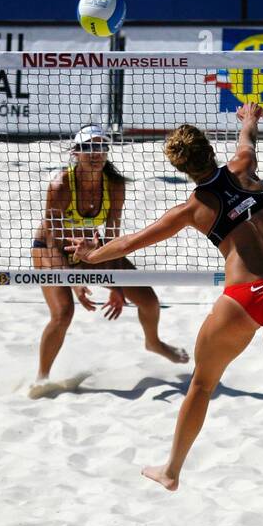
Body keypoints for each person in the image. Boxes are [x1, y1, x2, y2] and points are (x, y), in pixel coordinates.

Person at [70, 104, 263, 526]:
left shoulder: (192, 208)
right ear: (210, 150)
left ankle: (172, 469)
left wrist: (89, 255)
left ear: (178, 168)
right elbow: (248, 142)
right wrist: (247, 118)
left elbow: (129, 242)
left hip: (243, 298)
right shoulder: (244, 169)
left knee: (201, 384)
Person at [29, 125, 187, 398]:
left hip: (90, 249)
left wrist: (117, 285)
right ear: (75, 153)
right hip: (50, 250)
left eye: (102, 147)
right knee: (63, 313)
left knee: (148, 300)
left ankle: (154, 342)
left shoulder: (114, 185)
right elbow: (54, 240)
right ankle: (42, 377)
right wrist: (75, 283)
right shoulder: (60, 185)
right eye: (89, 147)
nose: (96, 153)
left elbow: (112, 237)